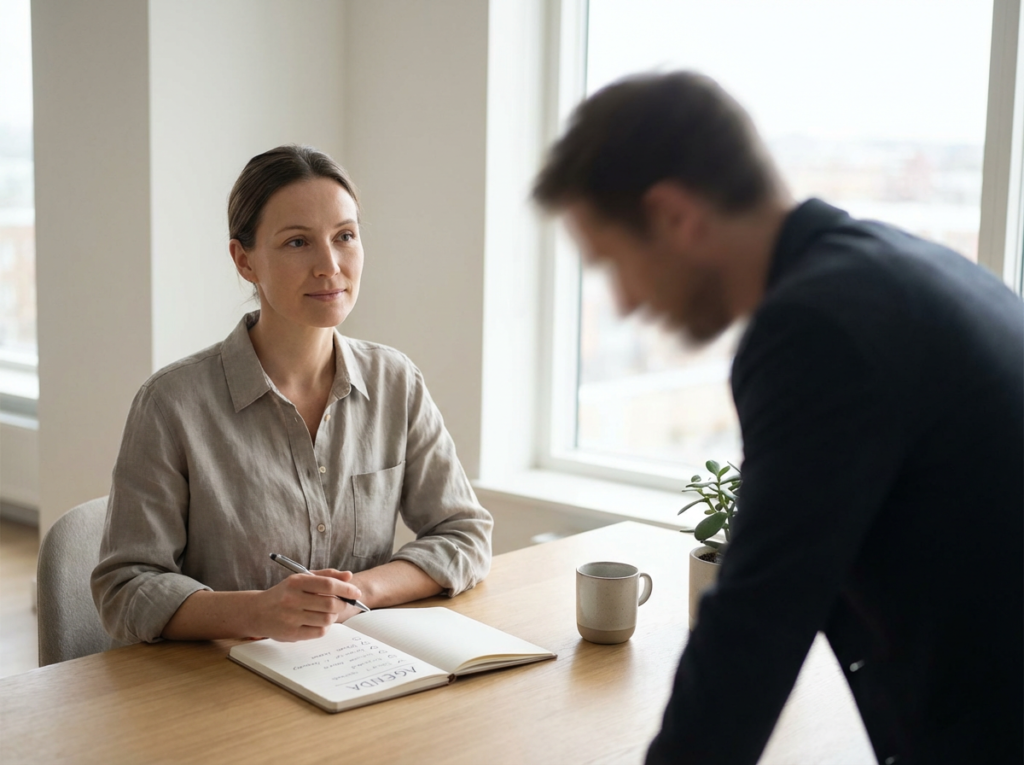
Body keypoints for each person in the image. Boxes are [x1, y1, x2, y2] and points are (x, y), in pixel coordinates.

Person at [533, 72, 1023, 764]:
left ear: (675, 216)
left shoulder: (816, 328)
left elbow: (754, 629)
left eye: (617, 262)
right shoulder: (897, 269)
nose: (627, 302)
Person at [92, 145, 492, 645]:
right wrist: (255, 612)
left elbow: (465, 535)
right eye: (298, 242)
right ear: (244, 261)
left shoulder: (397, 382)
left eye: (345, 236)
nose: (330, 266)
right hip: (217, 691)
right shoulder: (171, 404)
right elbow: (126, 588)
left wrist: (357, 591)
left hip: (359, 674)